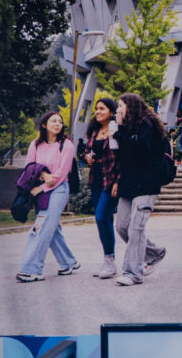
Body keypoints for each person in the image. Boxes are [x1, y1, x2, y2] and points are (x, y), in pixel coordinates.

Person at [15, 111, 80, 282]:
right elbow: (30, 166)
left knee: (42, 227)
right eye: (54, 121)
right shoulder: (35, 145)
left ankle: (32, 269)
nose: (58, 124)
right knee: (51, 228)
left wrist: (42, 187)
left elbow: (61, 173)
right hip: (41, 189)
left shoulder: (66, 145)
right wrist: (43, 176)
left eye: (60, 122)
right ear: (44, 124)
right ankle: (68, 262)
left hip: (58, 189)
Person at [113, 93, 169, 287]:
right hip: (128, 184)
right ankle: (154, 253)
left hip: (146, 184)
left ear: (131, 106)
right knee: (121, 226)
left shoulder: (147, 125)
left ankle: (132, 272)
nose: (118, 110)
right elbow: (123, 156)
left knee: (136, 228)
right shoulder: (126, 128)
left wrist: (120, 131)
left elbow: (140, 151)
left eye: (121, 106)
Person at [81, 98, 120, 279]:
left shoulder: (115, 130)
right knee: (104, 220)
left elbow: (121, 157)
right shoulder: (95, 131)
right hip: (95, 178)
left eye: (101, 109)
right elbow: (88, 151)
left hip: (110, 179)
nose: (97, 112)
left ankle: (110, 262)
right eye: (96, 109)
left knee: (100, 216)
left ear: (111, 112)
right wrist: (87, 156)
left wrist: (118, 182)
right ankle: (108, 260)